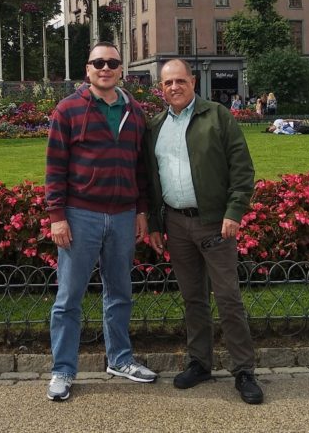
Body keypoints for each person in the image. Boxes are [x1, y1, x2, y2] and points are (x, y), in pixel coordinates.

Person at [145, 59, 263, 405]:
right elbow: (150, 182)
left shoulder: (217, 116)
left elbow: (242, 167)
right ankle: (200, 362)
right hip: (176, 223)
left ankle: (244, 370)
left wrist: (234, 211)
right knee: (193, 298)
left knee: (228, 298)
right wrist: (154, 223)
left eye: (180, 81)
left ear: (193, 82)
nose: (174, 87)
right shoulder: (155, 125)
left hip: (215, 222)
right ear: (161, 88)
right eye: (167, 83)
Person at [45, 41, 156, 402]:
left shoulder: (134, 111)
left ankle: (120, 359)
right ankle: (63, 369)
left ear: (121, 69)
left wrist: (141, 210)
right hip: (81, 215)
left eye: (112, 62)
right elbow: (55, 167)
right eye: (98, 62)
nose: (105, 68)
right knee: (69, 298)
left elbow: (140, 168)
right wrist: (57, 216)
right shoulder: (69, 110)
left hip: (123, 215)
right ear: (87, 69)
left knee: (120, 293)